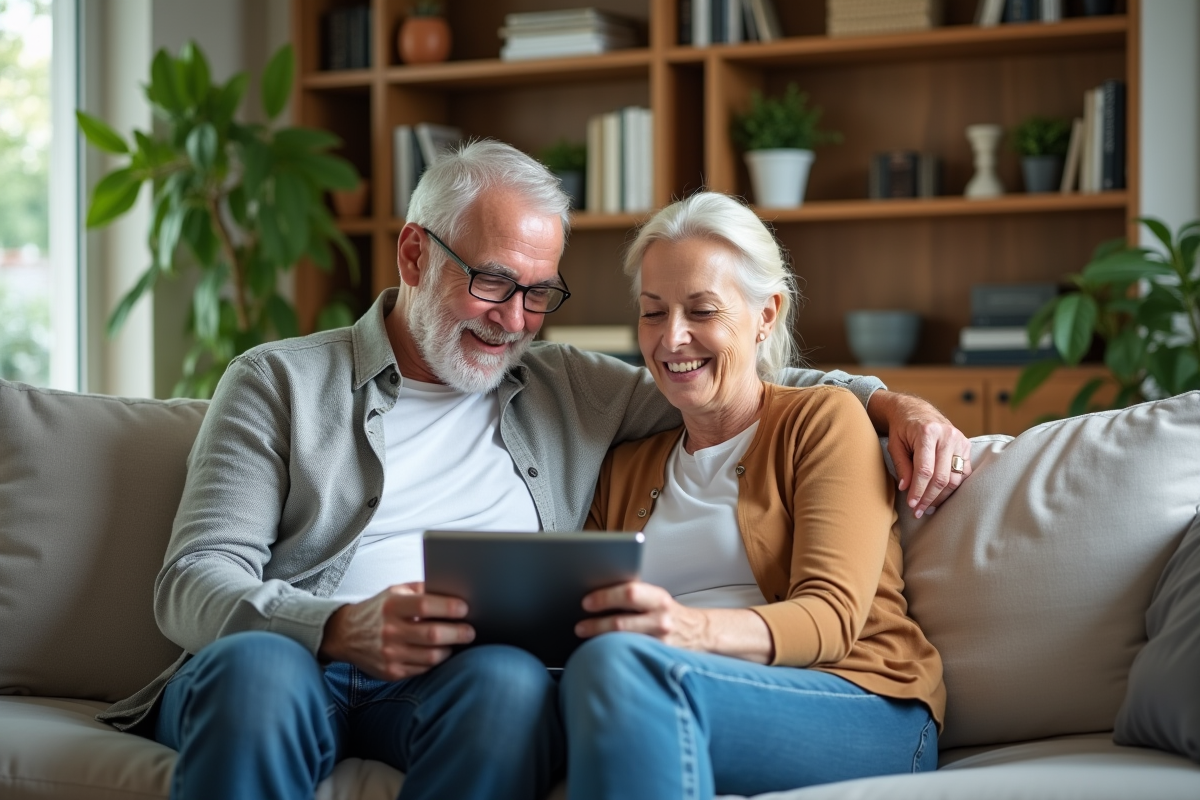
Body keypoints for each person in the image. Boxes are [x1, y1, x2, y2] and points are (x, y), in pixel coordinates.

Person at [99, 140, 969, 800]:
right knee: (255, 673)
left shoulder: (566, 387)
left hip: (454, 677)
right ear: (413, 256)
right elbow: (191, 580)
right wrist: (337, 626)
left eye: (539, 293)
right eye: (492, 282)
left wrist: (889, 403)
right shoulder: (278, 381)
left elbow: (732, 383)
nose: (515, 320)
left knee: (511, 684)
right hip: (293, 659)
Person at [561, 192, 946, 800]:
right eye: (653, 313)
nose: (672, 338)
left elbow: (831, 618)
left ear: (766, 314)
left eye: (702, 310)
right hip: (670, 687)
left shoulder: (822, 421)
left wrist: (688, 630)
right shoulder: (625, 467)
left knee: (623, 670)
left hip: (862, 699)